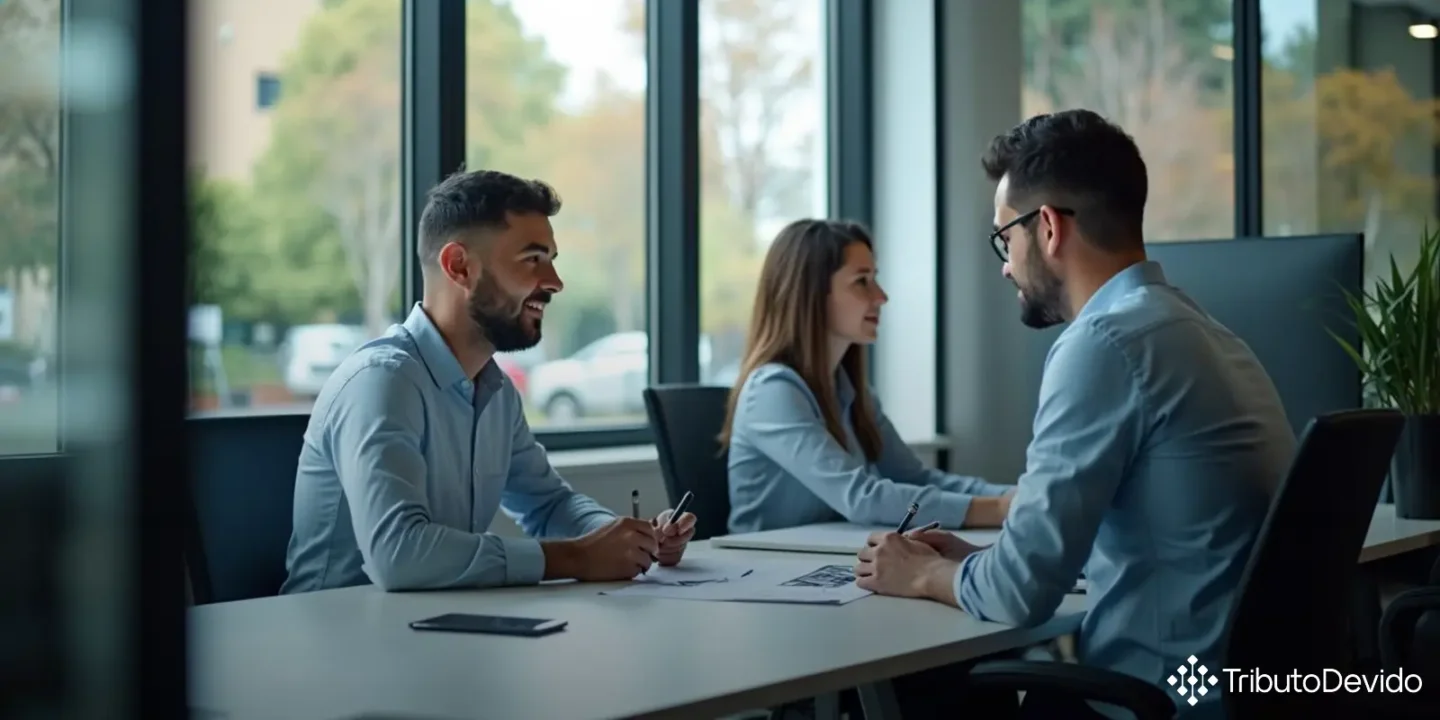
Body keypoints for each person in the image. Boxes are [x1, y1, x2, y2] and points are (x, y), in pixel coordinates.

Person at [854, 110, 1296, 718]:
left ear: (1051, 229)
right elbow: (1149, 539)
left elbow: (1019, 594)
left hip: (1164, 697)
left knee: (933, 694)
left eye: (1004, 238)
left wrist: (922, 575)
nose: (1006, 264)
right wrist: (974, 561)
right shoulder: (1202, 332)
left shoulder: (1105, 345)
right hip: (1235, 688)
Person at [281, 169, 696, 594]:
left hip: (432, 631)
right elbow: (399, 556)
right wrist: (576, 557)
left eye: (551, 259)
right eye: (533, 259)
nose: (554, 282)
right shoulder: (382, 382)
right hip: (335, 639)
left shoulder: (494, 391)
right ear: (459, 266)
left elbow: (549, 504)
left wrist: (628, 540)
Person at [719, 218, 1014, 535]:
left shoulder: (852, 391)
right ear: (812, 295)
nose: (881, 296)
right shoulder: (771, 391)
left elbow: (916, 480)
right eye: (862, 281)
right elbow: (862, 498)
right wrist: (1002, 509)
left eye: (875, 278)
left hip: (823, 559)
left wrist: (1015, 496)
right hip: (766, 571)